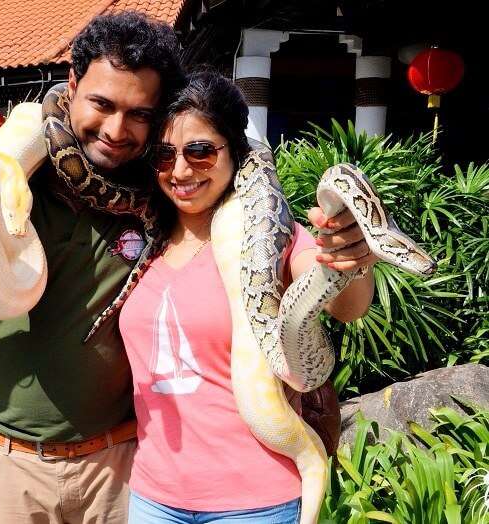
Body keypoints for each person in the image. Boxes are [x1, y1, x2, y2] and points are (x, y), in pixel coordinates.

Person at [0, 12, 183, 524]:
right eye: (102, 103)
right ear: (71, 87)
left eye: (139, 114)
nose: (116, 129)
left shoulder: (163, 194)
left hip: (123, 464)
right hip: (14, 466)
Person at [119, 70, 378, 523]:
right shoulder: (141, 242)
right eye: (165, 154)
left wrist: (349, 255)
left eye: (200, 151)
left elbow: (347, 307)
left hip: (253, 501)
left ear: (234, 152)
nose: (180, 171)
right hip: (153, 496)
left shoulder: (270, 233)